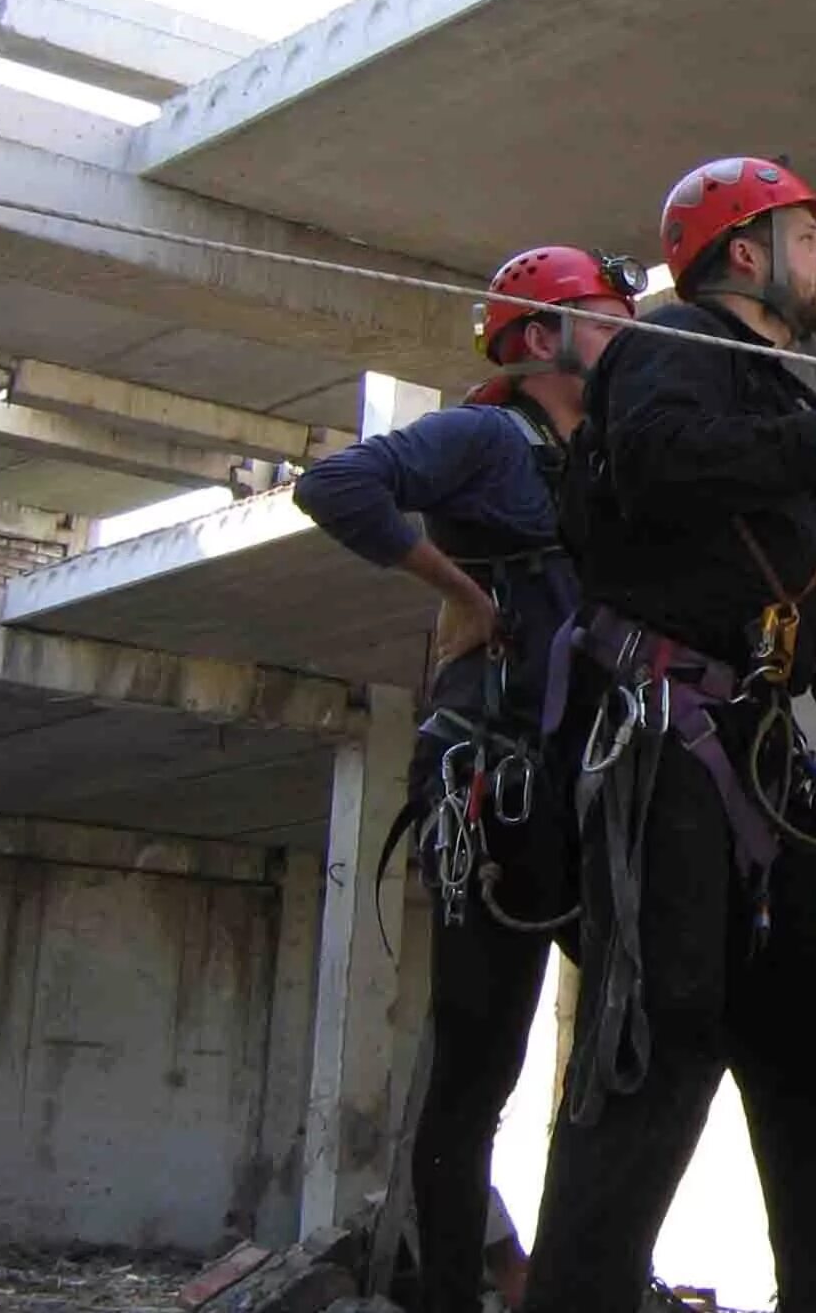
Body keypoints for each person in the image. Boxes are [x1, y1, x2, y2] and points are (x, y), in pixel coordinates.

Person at [523, 157, 816, 1313]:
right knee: (658, 1040)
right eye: (810, 236)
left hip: (747, 749)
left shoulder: (777, 399)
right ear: (749, 252)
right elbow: (660, 465)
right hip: (660, 742)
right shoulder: (667, 353)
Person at [293, 245, 638, 1313]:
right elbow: (337, 483)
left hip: (599, 782)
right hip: (502, 787)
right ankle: (450, 1290)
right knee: (480, 1058)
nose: (632, 336)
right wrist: (463, 591)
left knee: (642, 1044)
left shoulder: (612, 463)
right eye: (609, 319)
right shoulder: (489, 437)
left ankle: (574, 1282)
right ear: (543, 338)